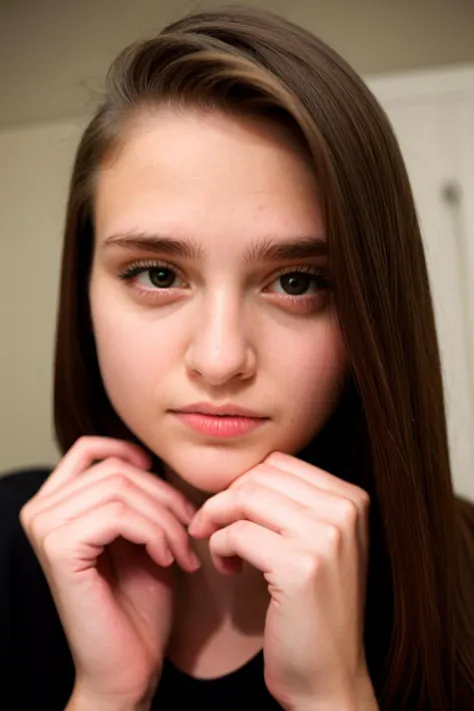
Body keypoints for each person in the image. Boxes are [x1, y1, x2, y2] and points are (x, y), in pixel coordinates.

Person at [1, 4, 473, 710]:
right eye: (159, 274)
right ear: (83, 289)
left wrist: (335, 696)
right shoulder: (8, 553)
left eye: (297, 282)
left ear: (370, 308)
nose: (221, 360)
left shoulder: (464, 575)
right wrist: (106, 694)